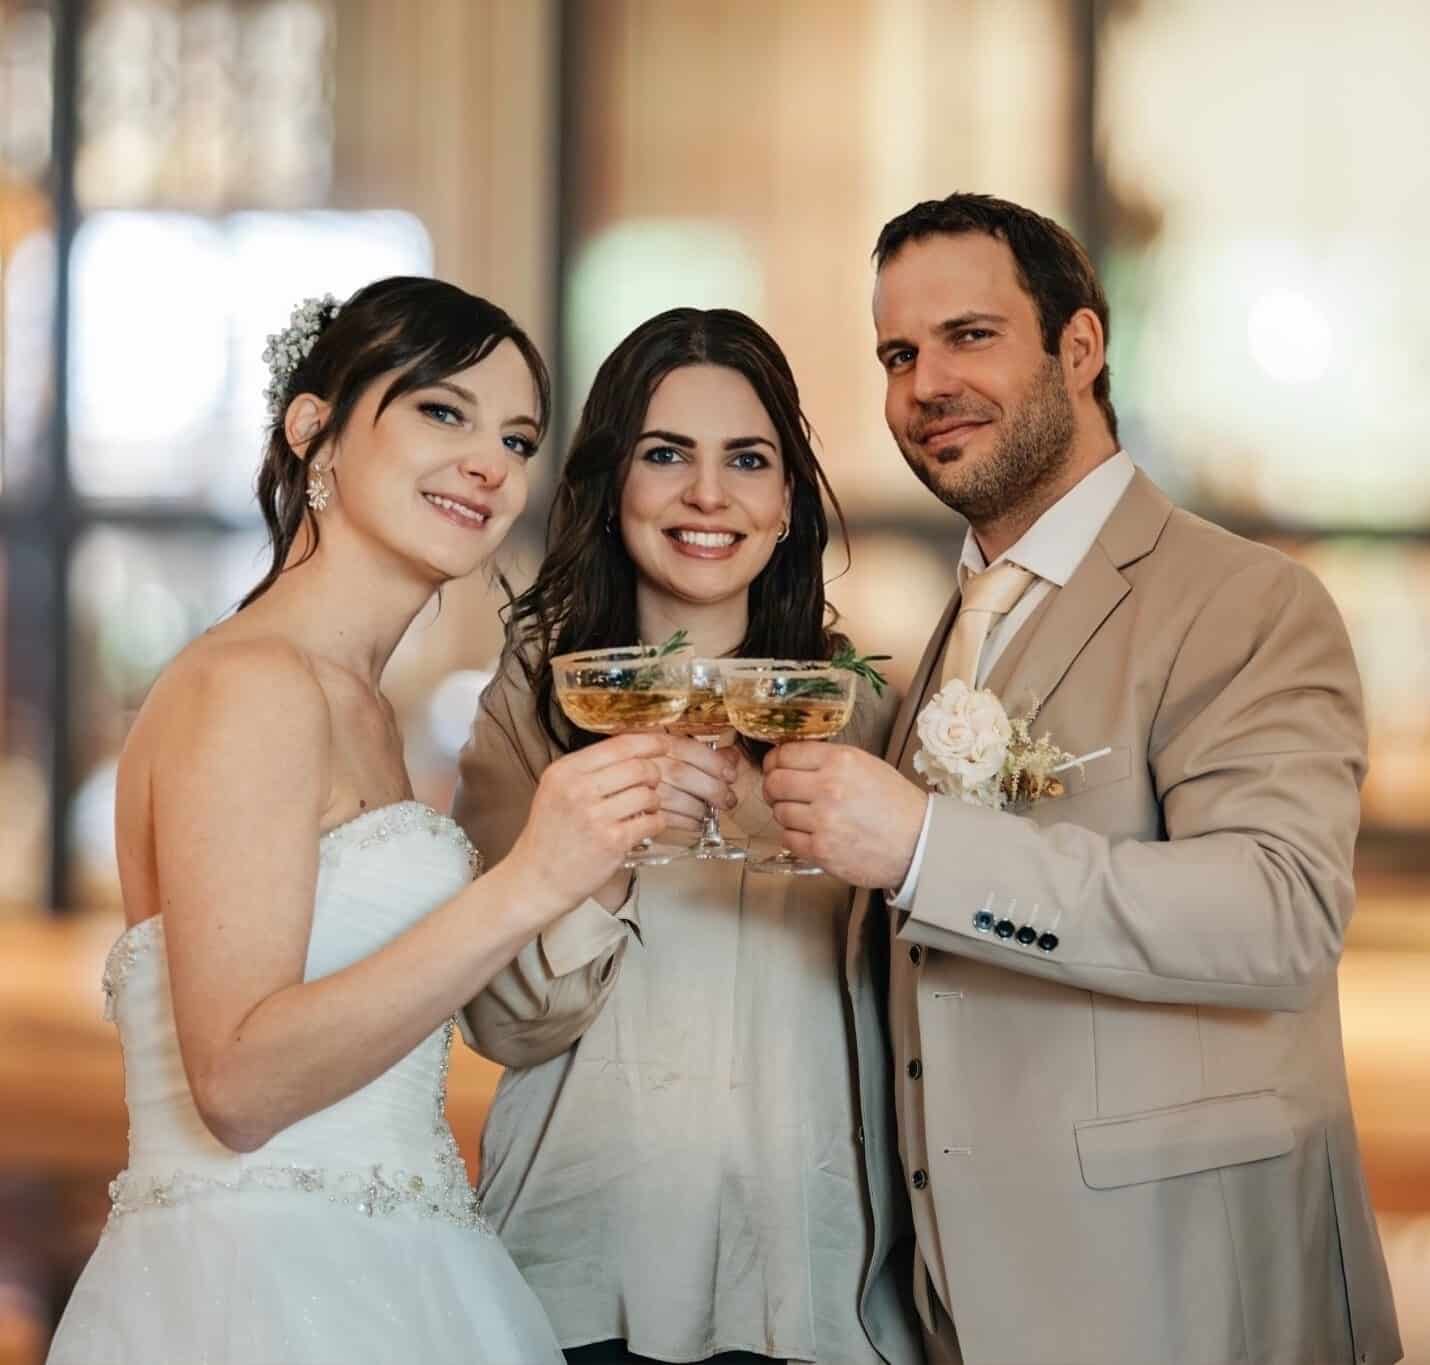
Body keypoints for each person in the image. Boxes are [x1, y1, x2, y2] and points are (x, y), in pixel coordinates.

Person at [761, 194, 1403, 1365]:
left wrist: (925, 849)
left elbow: (1278, 914)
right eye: (897, 356)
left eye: (968, 336)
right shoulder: (947, 630)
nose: (925, 386)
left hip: (1182, 1295)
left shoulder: (1243, 600)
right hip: (956, 1308)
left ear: (1078, 346)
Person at [47, 277, 671, 1365]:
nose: (491, 463)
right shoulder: (255, 685)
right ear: (313, 431)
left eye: (517, 439)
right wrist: (530, 879)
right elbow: (238, 1086)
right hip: (258, 1301)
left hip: (404, 1282)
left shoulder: (361, 707)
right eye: (443, 411)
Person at [452, 307, 923, 1365]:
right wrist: (605, 854)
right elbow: (502, 1022)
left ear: (787, 499)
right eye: (665, 454)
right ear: (611, 483)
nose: (707, 494)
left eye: (746, 460)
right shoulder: (538, 697)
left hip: (817, 1282)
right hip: (590, 1270)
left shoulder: (859, 712)